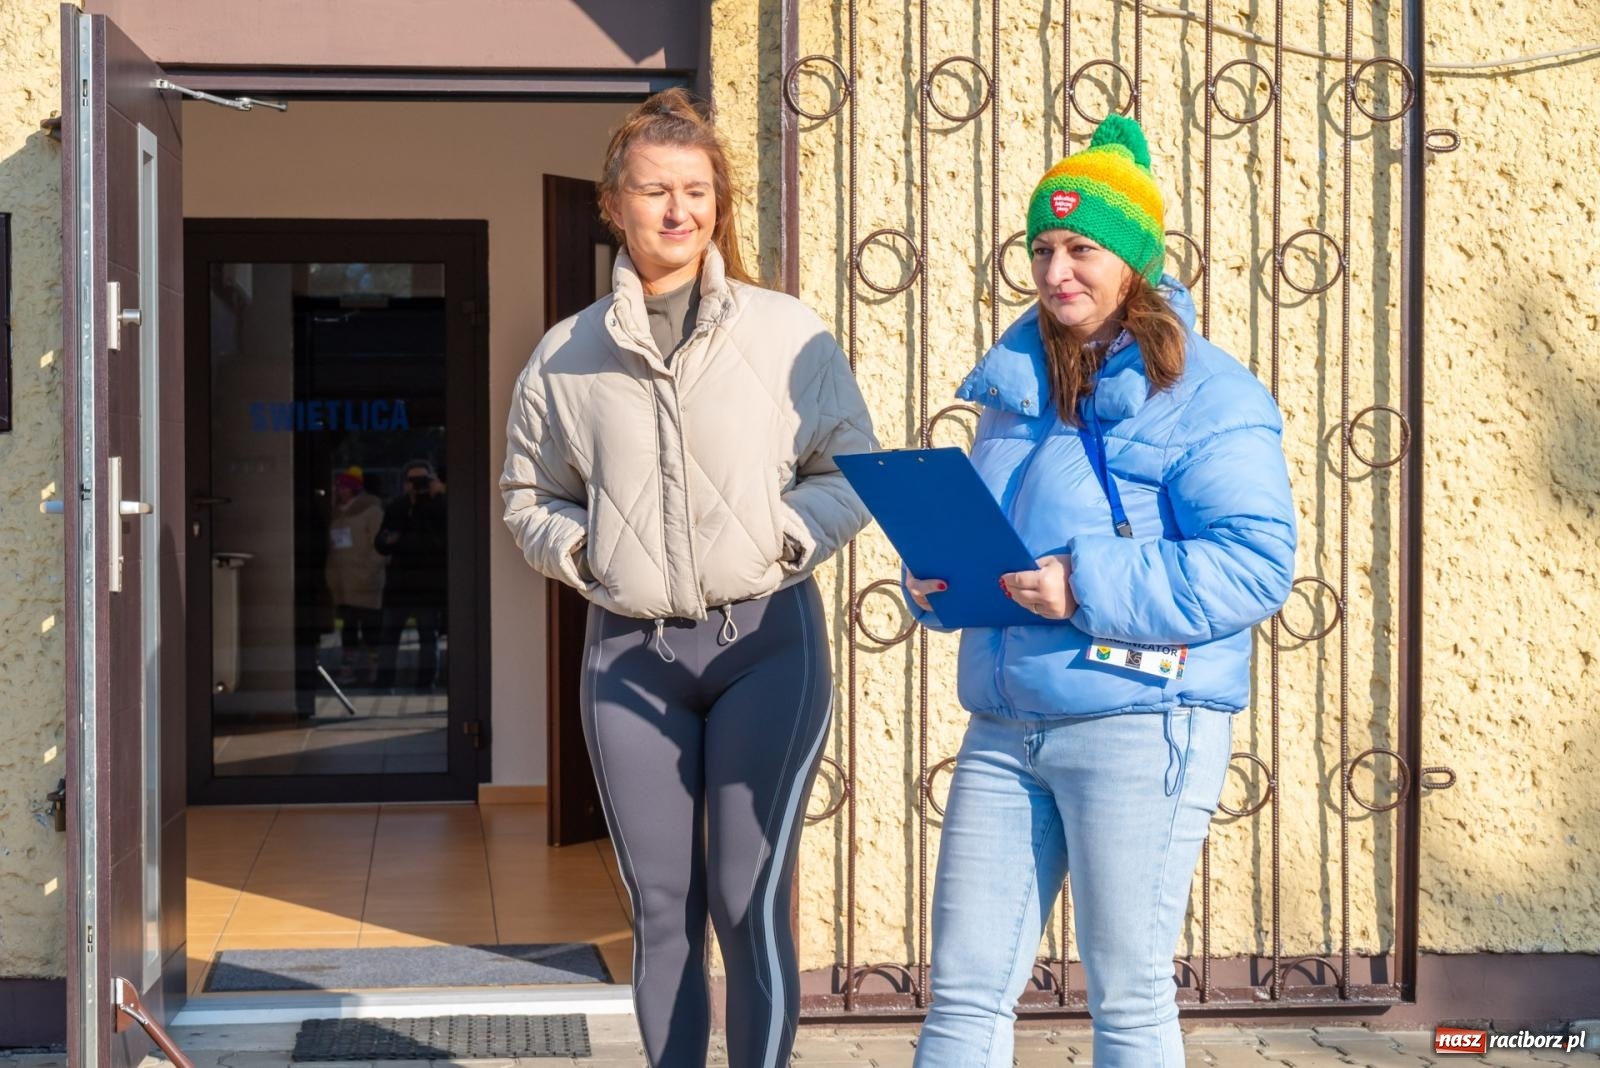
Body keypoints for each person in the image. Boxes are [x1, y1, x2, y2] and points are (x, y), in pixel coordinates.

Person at [903, 115, 1296, 1066]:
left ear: (1134, 263)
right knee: (959, 995)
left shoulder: (1211, 394)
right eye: (1042, 248)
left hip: (1142, 718)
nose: (1055, 271)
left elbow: (1256, 565)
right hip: (1005, 722)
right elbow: (999, 546)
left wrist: (1084, 581)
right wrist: (938, 580)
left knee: (1124, 997)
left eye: (1082, 248)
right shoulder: (1014, 391)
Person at [500, 89, 877, 1067]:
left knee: (746, 899)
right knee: (661, 908)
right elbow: (527, 497)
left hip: (766, 647)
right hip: (630, 655)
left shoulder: (788, 333)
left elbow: (849, 469)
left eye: (696, 192)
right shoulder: (563, 356)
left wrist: (782, 544)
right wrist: (586, 556)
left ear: (718, 206)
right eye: (654, 191)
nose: (676, 211)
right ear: (614, 205)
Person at [374, 458, 447, 691]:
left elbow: (441, 542)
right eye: (412, 481)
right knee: (389, 636)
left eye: (423, 480)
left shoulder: (440, 505)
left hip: (429, 585)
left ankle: (426, 684)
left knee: (428, 636)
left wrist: (441, 494)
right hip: (399, 585)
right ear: (404, 483)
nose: (417, 485)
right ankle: (384, 683)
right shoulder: (398, 506)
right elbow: (382, 542)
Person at [324, 465, 385, 685]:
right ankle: (347, 670)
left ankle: (376, 669)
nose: (340, 491)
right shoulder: (336, 512)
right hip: (342, 581)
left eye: (344, 487)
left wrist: (370, 568)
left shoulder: (372, 510)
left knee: (370, 628)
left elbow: (379, 545)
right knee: (348, 628)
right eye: (339, 487)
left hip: (366, 580)